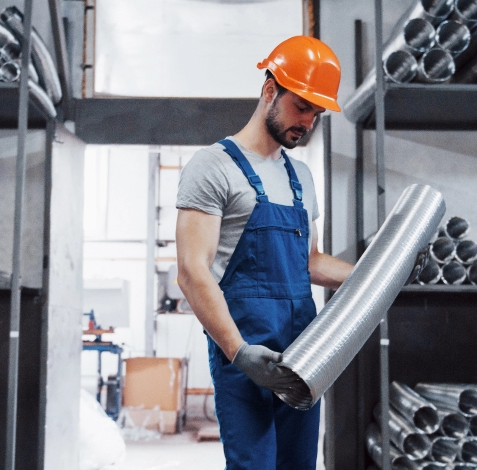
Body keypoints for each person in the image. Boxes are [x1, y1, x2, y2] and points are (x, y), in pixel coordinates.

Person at [175, 36, 355, 470]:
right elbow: (191, 271)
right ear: (270, 89)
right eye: (301, 106)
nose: (308, 122)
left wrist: (382, 274)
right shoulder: (213, 167)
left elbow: (309, 262)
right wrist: (238, 351)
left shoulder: (303, 178)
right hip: (246, 355)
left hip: (302, 354)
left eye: (317, 113)